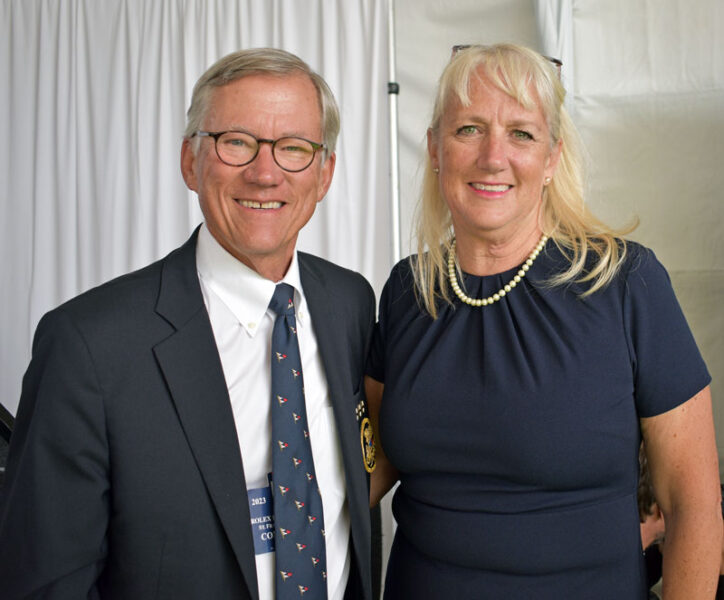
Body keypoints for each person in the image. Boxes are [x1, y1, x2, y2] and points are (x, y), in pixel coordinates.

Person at [0, 48, 376, 600]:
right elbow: (43, 583)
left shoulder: (350, 303)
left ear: (325, 174)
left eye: (293, 148)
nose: (265, 172)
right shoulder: (88, 347)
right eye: (237, 142)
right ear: (190, 162)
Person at [366, 43, 721, 598]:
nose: (492, 156)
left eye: (521, 134)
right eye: (469, 129)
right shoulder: (409, 291)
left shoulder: (625, 283)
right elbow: (371, 463)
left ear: (552, 158)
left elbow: (694, 505)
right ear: (435, 148)